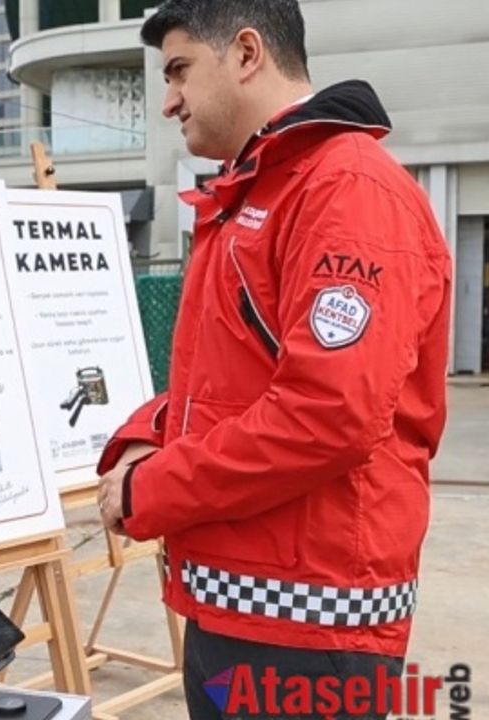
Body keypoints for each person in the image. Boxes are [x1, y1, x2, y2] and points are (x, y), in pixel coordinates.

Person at [93, 2, 452, 718]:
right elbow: (237, 384)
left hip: (311, 629)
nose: (168, 102)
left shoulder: (344, 190)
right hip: (248, 607)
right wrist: (148, 432)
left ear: (248, 53)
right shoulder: (261, 190)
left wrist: (153, 489)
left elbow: (328, 414)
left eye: (179, 71)